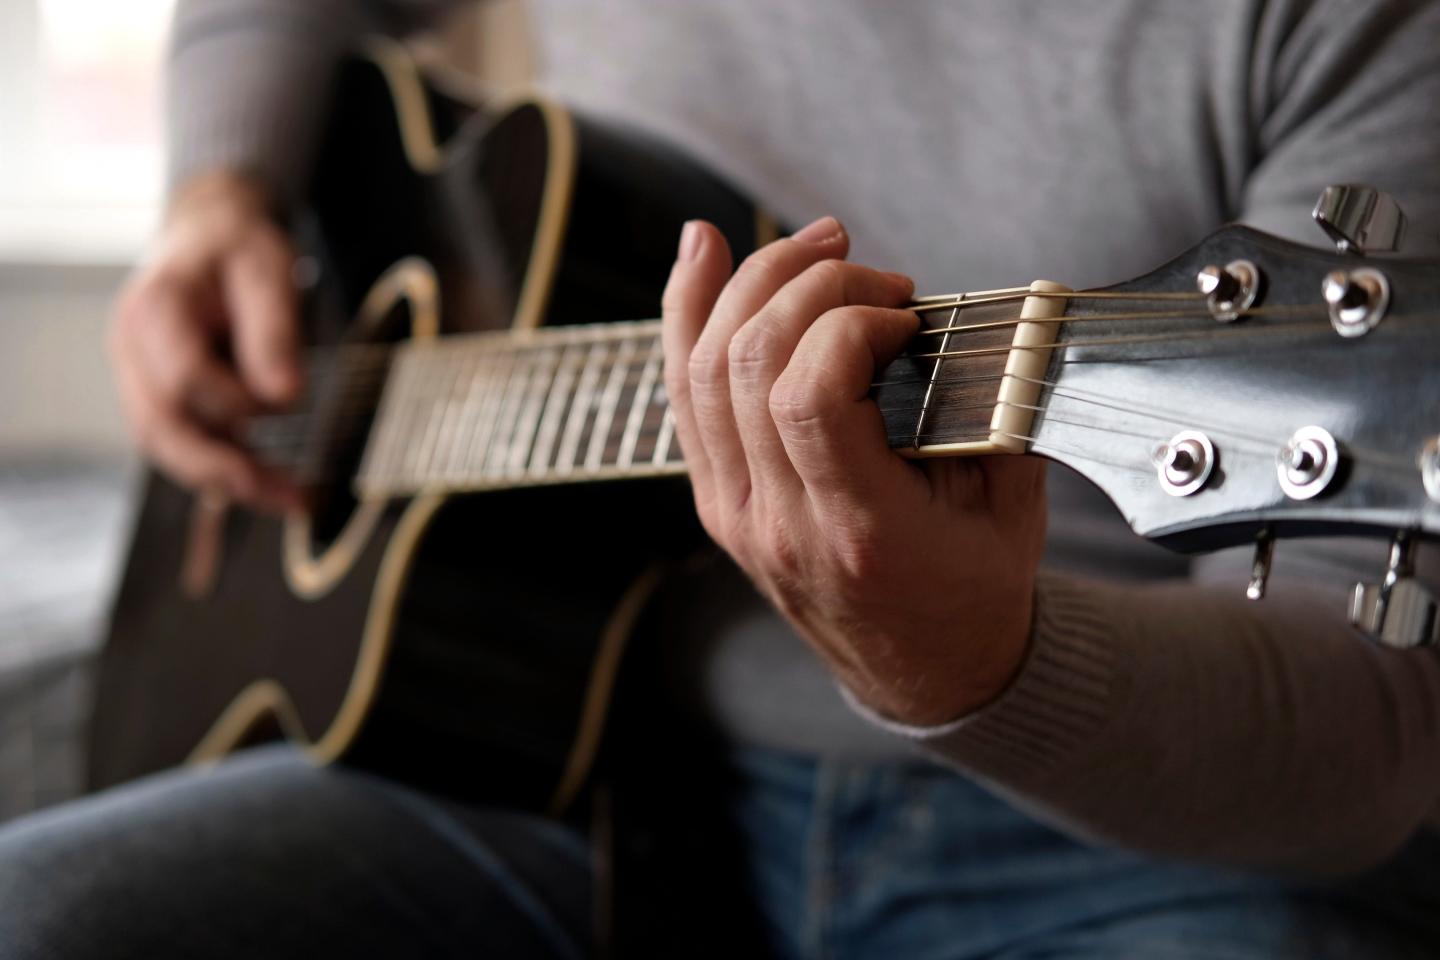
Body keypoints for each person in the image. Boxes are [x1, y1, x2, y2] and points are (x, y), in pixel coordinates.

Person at [4, 1, 1440, 956]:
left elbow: (1373, 727)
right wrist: (221, 189)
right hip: (564, 765)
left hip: (1124, 830)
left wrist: (970, 662)